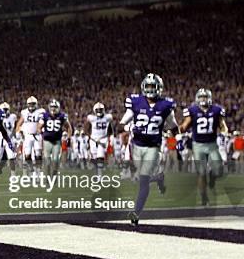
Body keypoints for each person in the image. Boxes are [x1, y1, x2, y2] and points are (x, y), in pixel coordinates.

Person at [119, 73, 178, 226]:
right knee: (139, 178)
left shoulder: (166, 105)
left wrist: (174, 135)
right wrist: (127, 127)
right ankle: (158, 178)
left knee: (143, 181)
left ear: (159, 88)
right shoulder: (135, 102)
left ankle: (136, 214)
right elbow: (123, 122)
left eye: (153, 86)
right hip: (137, 145)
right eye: (149, 86)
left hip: (153, 146)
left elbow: (173, 126)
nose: (151, 89)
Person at [179, 88, 228, 205]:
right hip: (198, 145)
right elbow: (184, 126)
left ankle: (212, 177)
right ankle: (204, 196)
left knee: (219, 170)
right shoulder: (192, 110)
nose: (203, 99)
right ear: (197, 98)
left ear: (209, 98)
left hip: (212, 144)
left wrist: (223, 134)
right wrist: (179, 137)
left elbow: (223, 126)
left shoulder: (217, 110)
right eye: (201, 97)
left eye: (205, 97)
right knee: (201, 172)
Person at [38, 99, 72, 177]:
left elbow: (69, 128)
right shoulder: (45, 116)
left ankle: (54, 174)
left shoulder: (62, 116)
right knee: (47, 161)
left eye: (55, 107)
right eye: (52, 107)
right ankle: (47, 176)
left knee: (55, 160)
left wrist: (68, 138)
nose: (53, 109)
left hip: (57, 141)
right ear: (49, 107)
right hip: (47, 141)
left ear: (58, 107)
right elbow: (39, 127)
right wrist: (43, 134)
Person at [15, 96, 44, 174]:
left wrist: (39, 128)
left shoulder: (40, 112)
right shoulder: (24, 112)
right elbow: (19, 123)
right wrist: (18, 131)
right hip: (28, 136)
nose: (31, 106)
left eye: (33, 104)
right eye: (30, 104)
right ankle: (31, 169)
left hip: (37, 135)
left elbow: (42, 122)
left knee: (38, 154)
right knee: (27, 155)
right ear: (27, 104)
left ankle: (38, 171)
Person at [85, 102, 113, 175]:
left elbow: (110, 129)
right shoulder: (91, 118)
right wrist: (90, 137)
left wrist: (110, 136)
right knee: (94, 159)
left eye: (100, 110)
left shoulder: (107, 118)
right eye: (98, 110)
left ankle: (99, 176)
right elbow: (86, 129)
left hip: (103, 139)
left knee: (100, 157)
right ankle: (96, 173)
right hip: (93, 139)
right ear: (95, 110)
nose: (99, 111)